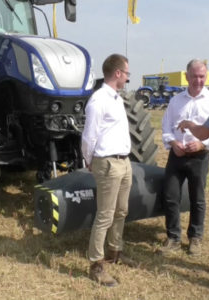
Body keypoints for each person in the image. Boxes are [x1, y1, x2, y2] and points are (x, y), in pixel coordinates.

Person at [81, 54, 132, 286]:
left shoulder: (116, 99)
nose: (128, 78)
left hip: (124, 162)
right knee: (105, 214)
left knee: (121, 211)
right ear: (118, 73)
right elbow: (88, 136)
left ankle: (115, 251)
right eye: (127, 74)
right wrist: (90, 161)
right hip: (108, 163)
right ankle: (96, 265)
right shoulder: (99, 100)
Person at [160, 59, 209, 256]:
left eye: (202, 77)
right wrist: (173, 144)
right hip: (177, 156)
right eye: (194, 76)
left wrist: (201, 144)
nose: (198, 81)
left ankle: (195, 238)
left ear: (206, 77)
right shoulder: (176, 101)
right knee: (171, 196)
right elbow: (166, 126)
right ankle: (173, 237)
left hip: (200, 157)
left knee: (197, 199)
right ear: (187, 76)